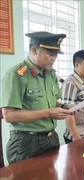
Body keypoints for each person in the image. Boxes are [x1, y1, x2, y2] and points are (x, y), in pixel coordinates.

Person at [1, 31, 71, 164]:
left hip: (51, 138)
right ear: (34, 50)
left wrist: (64, 107)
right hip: (26, 143)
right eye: (50, 54)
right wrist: (48, 113)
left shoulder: (50, 75)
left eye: (56, 54)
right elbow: (9, 115)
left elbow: (49, 101)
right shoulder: (17, 75)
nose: (54, 58)